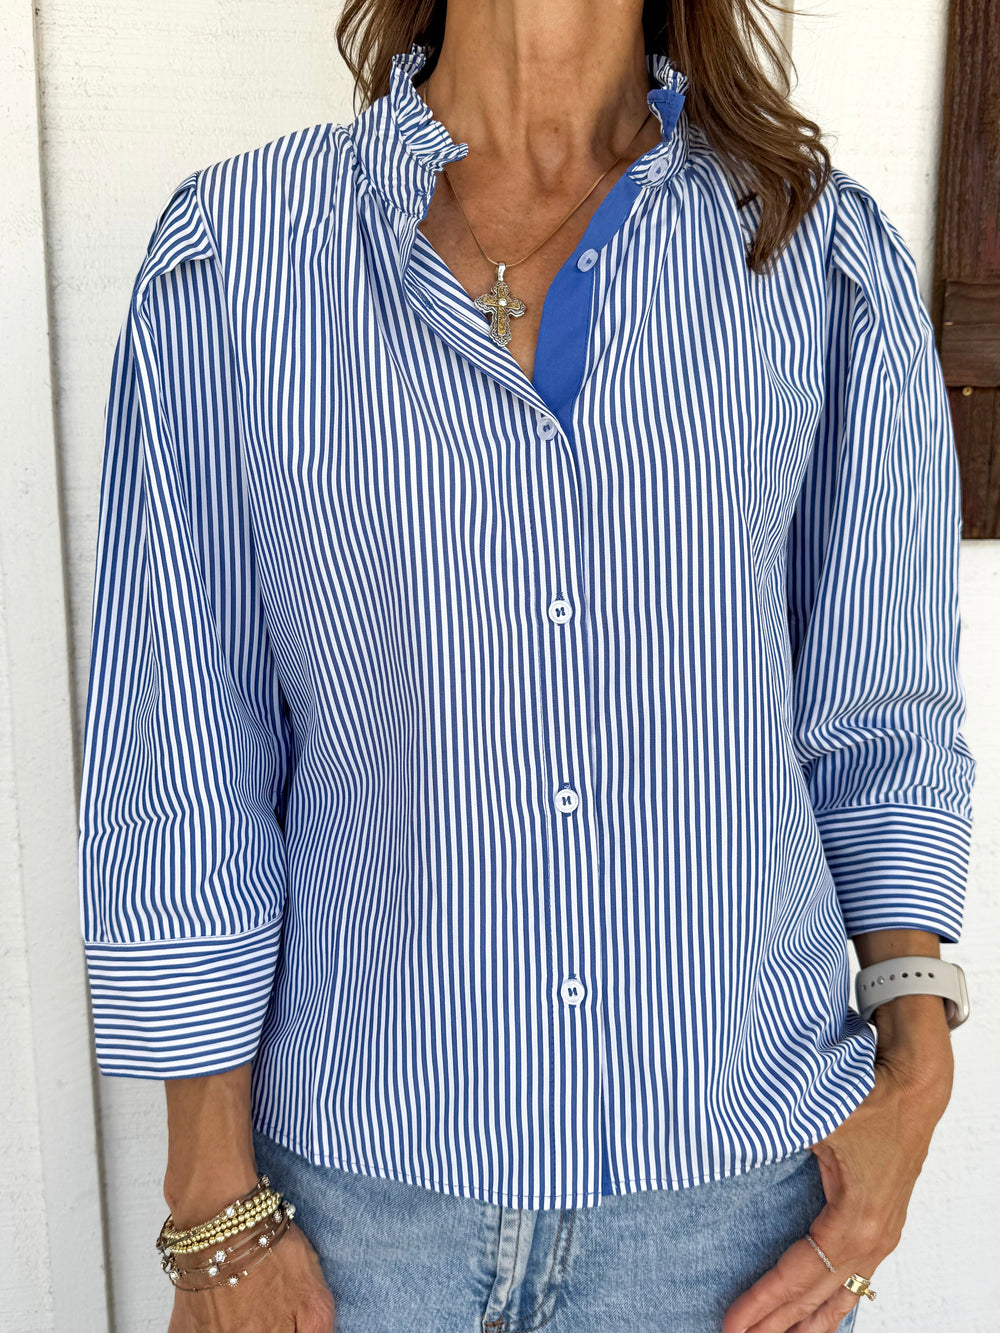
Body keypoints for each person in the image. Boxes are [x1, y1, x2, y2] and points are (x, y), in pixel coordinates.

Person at [77, 0, 977, 1328]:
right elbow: (184, 742)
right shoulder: (242, 255)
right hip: (355, 1210)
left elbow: (881, 715)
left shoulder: (809, 253)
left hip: (732, 1202)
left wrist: (915, 1066)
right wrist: (210, 1201)